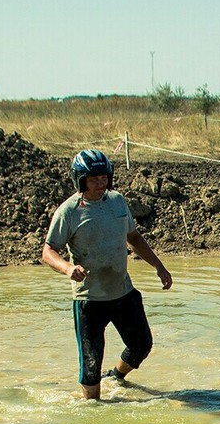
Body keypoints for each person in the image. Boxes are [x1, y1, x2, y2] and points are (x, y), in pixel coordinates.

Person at [39, 149, 173, 401]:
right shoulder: (69, 211)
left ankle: (116, 377)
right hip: (89, 299)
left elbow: (133, 237)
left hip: (123, 292)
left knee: (141, 345)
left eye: (104, 178)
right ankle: (92, 413)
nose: (101, 184)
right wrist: (69, 268)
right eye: (93, 179)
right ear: (80, 180)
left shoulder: (117, 201)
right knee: (90, 365)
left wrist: (158, 266)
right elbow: (48, 252)